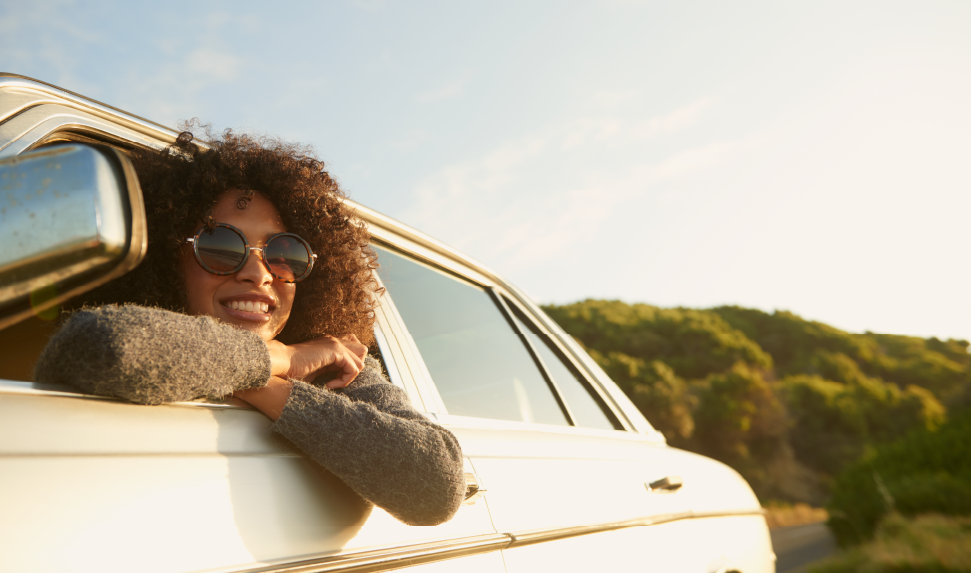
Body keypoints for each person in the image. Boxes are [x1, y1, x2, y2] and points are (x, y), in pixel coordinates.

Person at [34, 127, 466, 526]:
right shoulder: (304, 356)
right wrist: (282, 358)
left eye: (285, 254)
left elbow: (438, 486)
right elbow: (105, 344)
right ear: (168, 259)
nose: (258, 274)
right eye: (222, 246)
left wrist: (273, 384)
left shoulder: (339, 370)